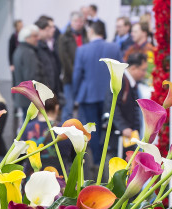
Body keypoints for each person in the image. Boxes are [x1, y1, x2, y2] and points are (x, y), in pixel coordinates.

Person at [72, 21, 121, 165]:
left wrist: (76, 94)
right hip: (110, 94)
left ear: (91, 31)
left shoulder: (82, 50)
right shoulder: (114, 48)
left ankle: (97, 162)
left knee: (92, 130)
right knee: (109, 128)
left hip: (89, 95)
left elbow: (77, 75)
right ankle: (109, 159)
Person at [103, 52, 148, 157]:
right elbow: (111, 105)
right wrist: (123, 127)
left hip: (128, 135)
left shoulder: (130, 82)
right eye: (143, 70)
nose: (144, 73)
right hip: (119, 136)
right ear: (133, 68)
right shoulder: (121, 80)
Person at [21, 96, 73, 176]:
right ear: (57, 108)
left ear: (36, 108)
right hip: (58, 181)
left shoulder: (25, 129)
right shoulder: (65, 130)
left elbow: (20, 158)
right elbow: (73, 159)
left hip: (32, 181)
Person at [58, 11, 87, 122]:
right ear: (71, 22)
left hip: (84, 77)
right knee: (68, 106)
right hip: (69, 77)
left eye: (81, 21)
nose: (78, 24)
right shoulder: (64, 37)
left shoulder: (86, 36)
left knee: (82, 107)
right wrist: (75, 73)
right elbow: (64, 59)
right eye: (76, 21)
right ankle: (65, 134)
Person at [12, 25, 45, 117]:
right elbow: (32, 77)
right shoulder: (28, 53)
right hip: (30, 98)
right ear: (27, 38)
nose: (38, 38)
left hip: (24, 96)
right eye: (35, 36)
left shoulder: (19, 50)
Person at [34, 16, 60, 96]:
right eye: (47, 30)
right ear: (40, 30)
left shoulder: (46, 45)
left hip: (52, 87)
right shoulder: (37, 48)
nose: (51, 31)